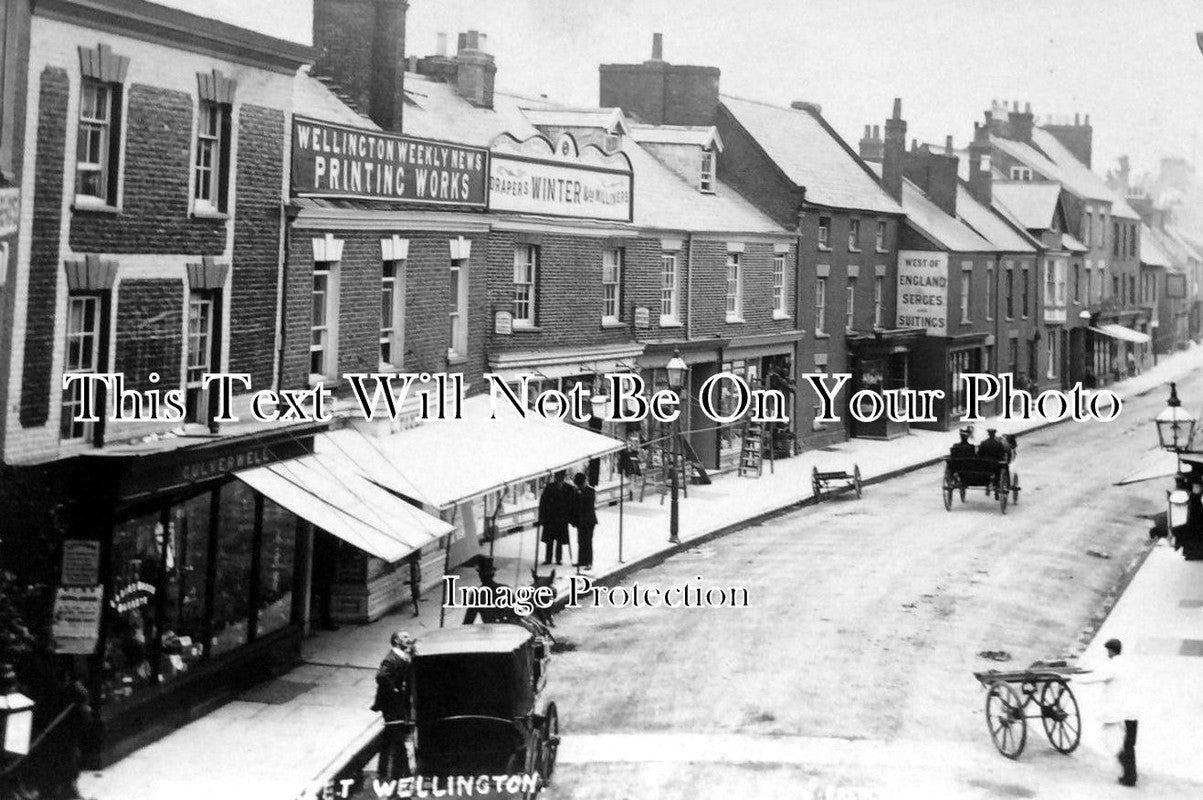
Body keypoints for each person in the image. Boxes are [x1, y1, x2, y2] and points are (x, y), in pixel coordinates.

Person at [1078, 638, 1138, 786]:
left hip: (1118, 713)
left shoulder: (1112, 666)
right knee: (1129, 745)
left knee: (1116, 744)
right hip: (1132, 712)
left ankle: (1129, 776)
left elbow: (1093, 678)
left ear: (1110, 651)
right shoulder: (1126, 664)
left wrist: (1074, 678)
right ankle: (1130, 774)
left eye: (1108, 651)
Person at [371, 631, 414, 781]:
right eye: (405, 637)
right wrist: (394, 690)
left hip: (398, 704)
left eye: (408, 637)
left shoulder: (402, 657)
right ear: (396, 641)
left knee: (389, 738)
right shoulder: (391, 659)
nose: (408, 639)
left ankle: (383, 772)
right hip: (392, 705)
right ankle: (403, 774)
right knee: (398, 738)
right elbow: (381, 676)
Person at [462, 556, 513, 625]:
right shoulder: (505, 589)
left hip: (489, 631)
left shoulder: (477, 595)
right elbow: (516, 613)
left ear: (480, 575)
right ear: (493, 574)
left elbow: (468, 621)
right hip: (507, 631)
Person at [538, 471, 575, 565]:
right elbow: (543, 502)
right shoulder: (549, 487)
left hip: (562, 518)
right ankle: (548, 559)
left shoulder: (569, 488)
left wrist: (570, 517)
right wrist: (542, 517)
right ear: (555, 477)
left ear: (564, 477)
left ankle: (559, 559)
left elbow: (572, 504)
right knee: (549, 540)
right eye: (558, 476)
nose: (559, 478)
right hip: (550, 518)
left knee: (560, 540)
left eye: (561, 476)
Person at [572, 472, 597, 570]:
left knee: (588, 541)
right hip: (580, 521)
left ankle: (589, 562)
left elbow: (588, 505)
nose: (579, 487)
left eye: (580, 485)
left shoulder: (590, 491)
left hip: (589, 521)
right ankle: (581, 560)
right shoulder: (576, 491)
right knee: (580, 541)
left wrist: (579, 493)